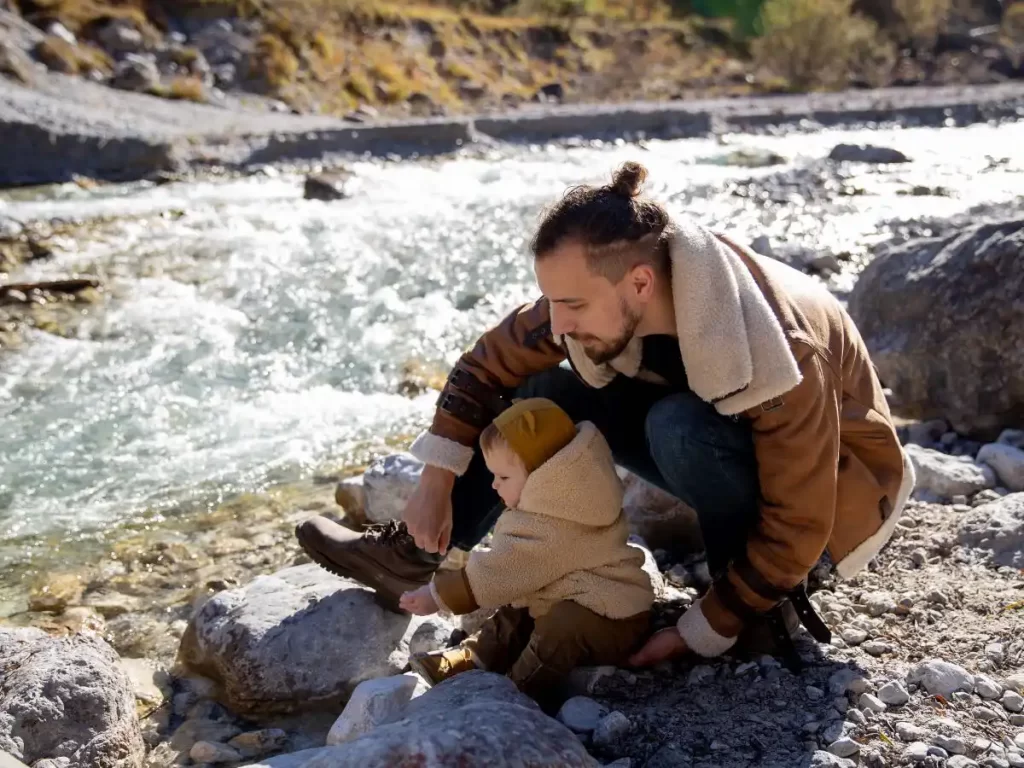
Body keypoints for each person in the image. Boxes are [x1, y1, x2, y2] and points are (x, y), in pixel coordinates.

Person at [296, 161, 915, 666]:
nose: (557, 321)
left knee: (679, 428)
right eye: (550, 300)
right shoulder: (610, 289)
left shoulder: (781, 347)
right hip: (719, 437)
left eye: (571, 303)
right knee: (541, 384)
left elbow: (803, 519)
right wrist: (434, 484)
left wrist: (707, 625)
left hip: (833, 490)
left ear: (640, 285)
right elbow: (484, 366)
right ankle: (415, 555)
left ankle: (755, 602)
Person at [398, 397, 652, 709]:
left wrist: (436, 596)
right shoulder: (568, 497)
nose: (493, 486)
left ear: (544, 476)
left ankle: (519, 692)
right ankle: (475, 656)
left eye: (503, 477)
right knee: (518, 607)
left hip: (613, 622)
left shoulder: (558, 520)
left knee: (561, 625)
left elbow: (500, 570)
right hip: (577, 596)